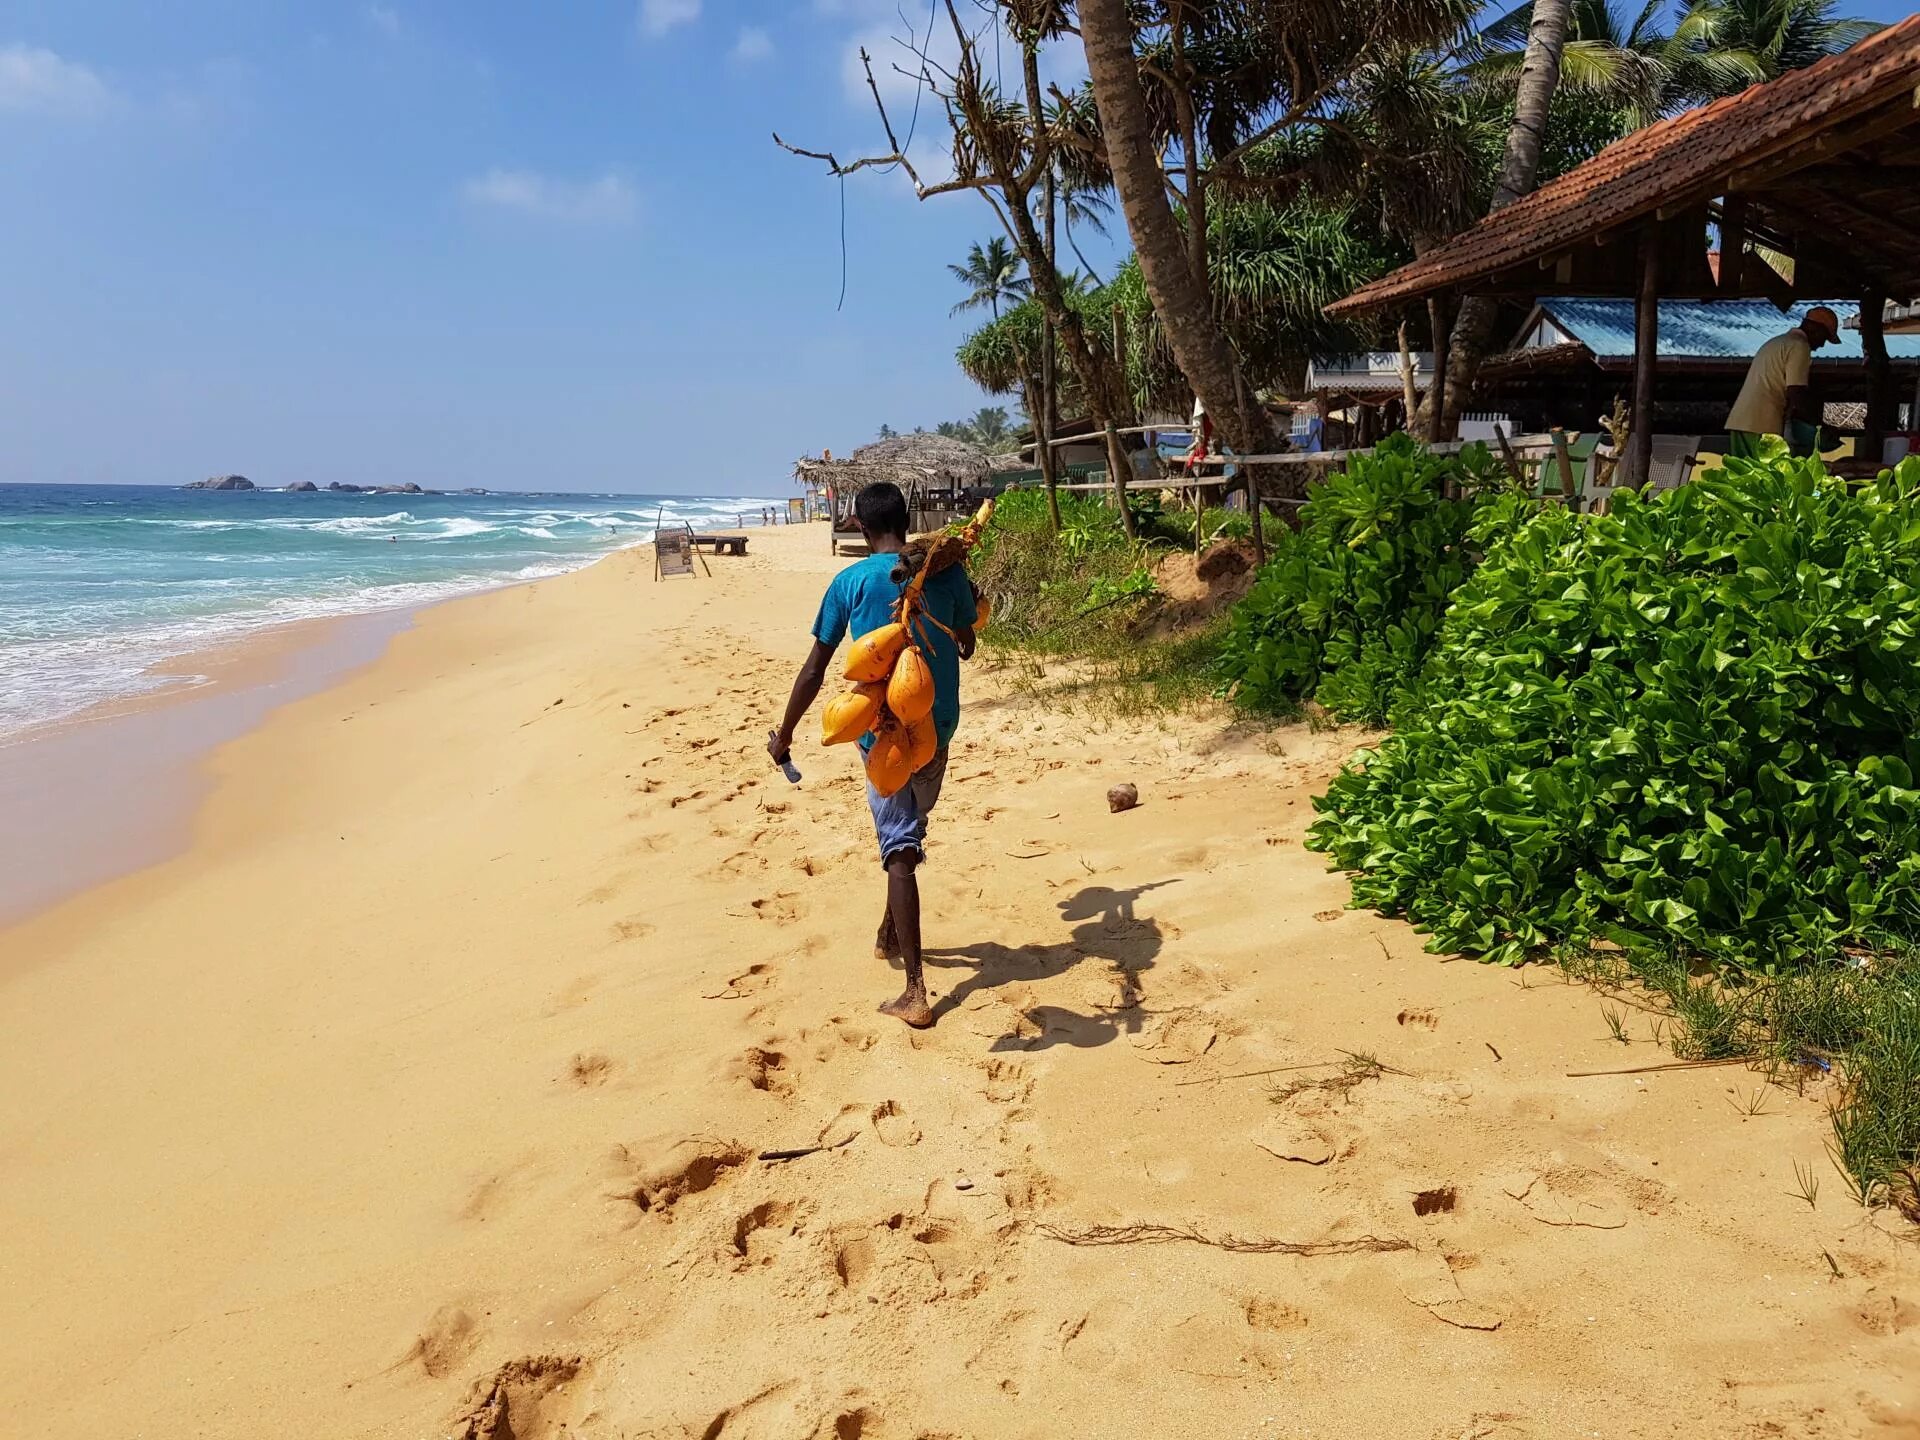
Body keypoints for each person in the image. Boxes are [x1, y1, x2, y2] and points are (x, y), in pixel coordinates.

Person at [767, 481, 977, 1028]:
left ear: (859, 527)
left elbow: (817, 667)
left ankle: (915, 992)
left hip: (882, 735)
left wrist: (785, 733)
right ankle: (890, 930)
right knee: (909, 828)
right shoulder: (945, 570)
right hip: (938, 729)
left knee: (899, 847)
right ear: (907, 520)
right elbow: (966, 633)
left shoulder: (849, 582)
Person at [1726, 306, 1841, 457]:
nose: (1822, 345)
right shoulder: (1799, 346)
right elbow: (1796, 392)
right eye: (1824, 338)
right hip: (1763, 425)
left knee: (1744, 477)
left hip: (1741, 422)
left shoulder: (1777, 342)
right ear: (1816, 329)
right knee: (1767, 478)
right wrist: (1820, 427)